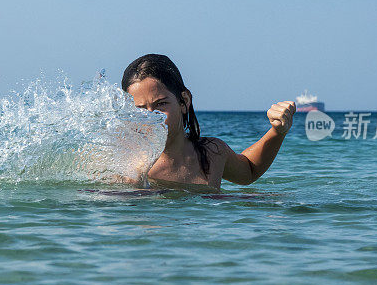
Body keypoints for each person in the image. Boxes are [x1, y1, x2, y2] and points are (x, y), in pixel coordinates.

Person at [122, 54, 295, 191]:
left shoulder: (211, 153)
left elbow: (248, 171)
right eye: (141, 109)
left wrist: (277, 132)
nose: (152, 117)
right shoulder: (133, 167)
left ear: (184, 101)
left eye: (161, 104)